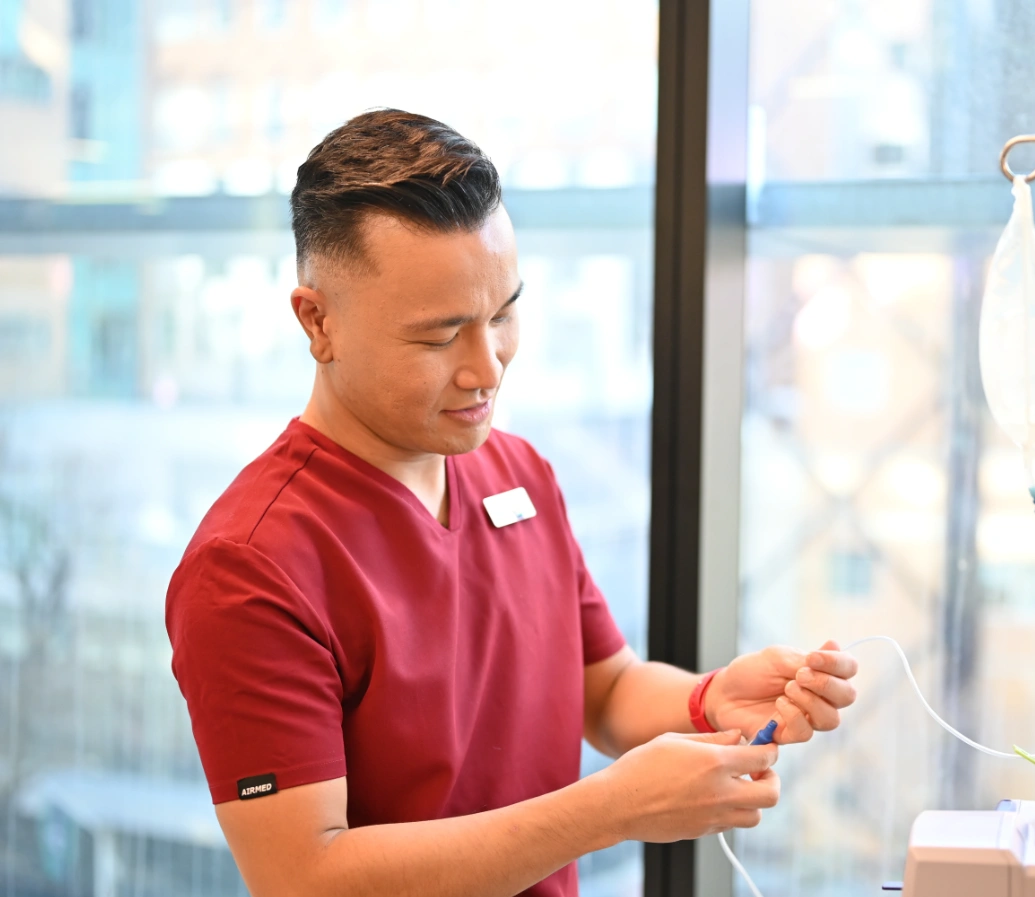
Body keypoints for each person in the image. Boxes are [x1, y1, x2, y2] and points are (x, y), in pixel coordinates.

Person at [166, 109, 859, 897]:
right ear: (316, 321)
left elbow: (606, 690)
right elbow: (305, 876)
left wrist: (707, 699)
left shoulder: (517, 472)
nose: (486, 368)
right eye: (439, 337)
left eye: (503, 314)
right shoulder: (250, 567)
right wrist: (610, 810)